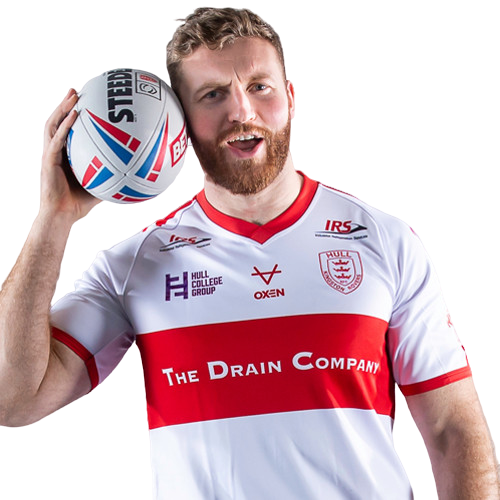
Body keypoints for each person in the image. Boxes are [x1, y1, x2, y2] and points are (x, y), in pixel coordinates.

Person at [0, 6, 498, 499]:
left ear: (291, 98)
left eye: (260, 86)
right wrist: (52, 221)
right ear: (182, 123)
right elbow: (12, 400)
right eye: (213, 95)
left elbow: (455, 431)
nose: (242, 111)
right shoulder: (134, 265)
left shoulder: (387, 241)